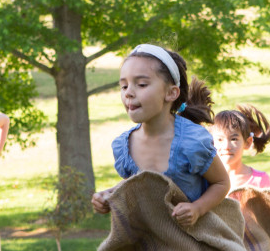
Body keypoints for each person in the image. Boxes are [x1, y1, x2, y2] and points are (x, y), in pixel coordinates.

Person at [91, 43, 229, 228]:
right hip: (151, 240)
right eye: (123, 86)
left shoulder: (192, 142)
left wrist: (197, 209)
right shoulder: (125, 146)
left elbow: (221, 183)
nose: (129, 93)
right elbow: (137, 185)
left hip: (194, 238)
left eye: (141, 84)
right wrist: (108, 195)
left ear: (171, 93)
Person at [208, 104, 270, 195]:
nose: (226, 146)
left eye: (234, 139)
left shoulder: (260, 180)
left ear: (248, 142)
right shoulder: (207, 179)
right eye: (220, 139)